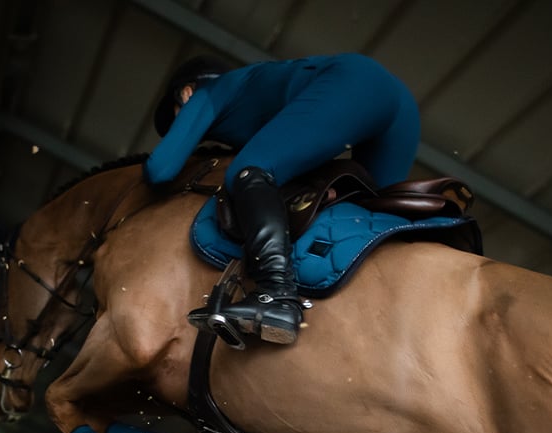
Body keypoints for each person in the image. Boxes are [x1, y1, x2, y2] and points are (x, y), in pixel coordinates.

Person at [144, 53, 421, 345]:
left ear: (185, 92)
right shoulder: (253, 98)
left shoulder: (207, 94)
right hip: (400, 106)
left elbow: (161, 170)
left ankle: (275, 293)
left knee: (248, 172)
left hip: (354, 80)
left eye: (175, 115)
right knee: (375, 214)